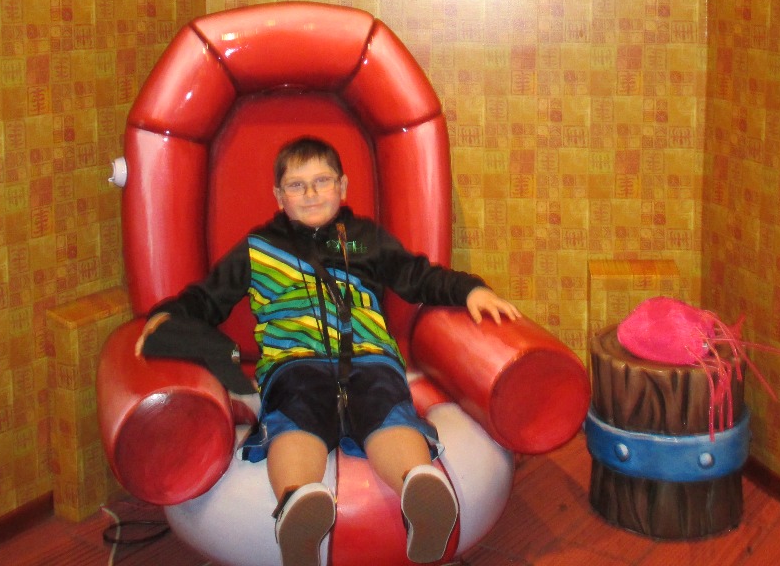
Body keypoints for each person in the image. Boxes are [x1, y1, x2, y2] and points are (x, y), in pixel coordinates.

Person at [136, 135, 520, 566]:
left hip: (369, 356)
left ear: (343, 186)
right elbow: (207, 298)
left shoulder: (363, 240)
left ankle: (420, 490)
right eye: (296, 185)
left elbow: (419, 276)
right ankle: (298, 505)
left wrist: (469, 290)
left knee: (385, 409)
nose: (311, 193)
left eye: (322, 181)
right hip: (293, 361)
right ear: (279, 196)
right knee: (295, 415)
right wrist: (169, 314)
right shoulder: (258, 248)